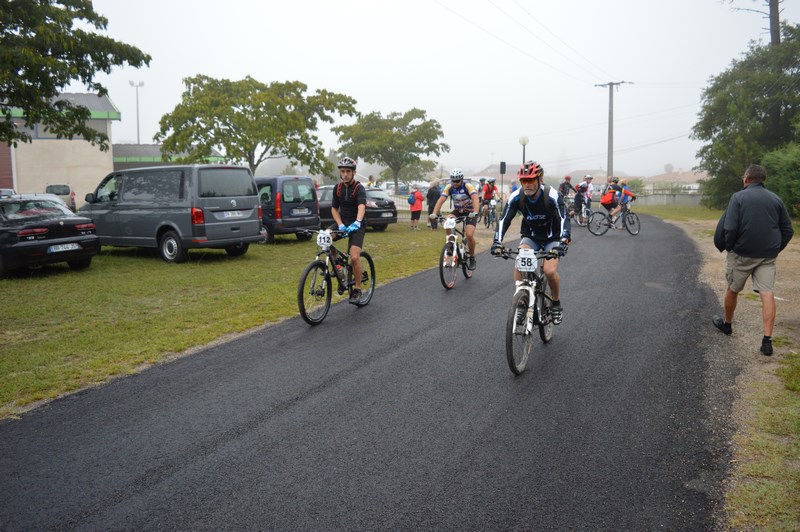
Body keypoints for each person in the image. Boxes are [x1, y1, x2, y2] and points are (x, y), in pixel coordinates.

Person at [712, 164, 794, 356]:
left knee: (733, 289)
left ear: (747, 179)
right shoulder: (776, 199)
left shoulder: (738, 197)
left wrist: (731, 247)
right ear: (762, 180)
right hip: (767, 256)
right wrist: (775, 248)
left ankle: (727, 324)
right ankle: (767, 341)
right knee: (767, 293)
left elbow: (730, 227)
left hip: (742, 254)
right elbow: (788, 230)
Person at [491, 161, 570, 324]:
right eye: (523, 180)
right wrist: (497, 242)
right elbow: (504, 219)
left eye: (531, 180)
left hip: (552, 237)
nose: (527, 184)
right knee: (520, 262)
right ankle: (521, 303)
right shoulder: (516, 196)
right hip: (531, 236)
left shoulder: (551, 194)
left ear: (540, 179)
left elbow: (564, 217)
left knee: (549, 271)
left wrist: (563, 240)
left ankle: (555, 303)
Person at [330, 156, 367, 304]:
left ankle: (357, 289)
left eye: (348, 171)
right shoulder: (337, 188)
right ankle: (338, 268)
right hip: (343, 222)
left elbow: (362, 206)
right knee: (325, 238)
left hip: (357, 225)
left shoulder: (359, 188)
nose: (345, 174)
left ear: (353, 173)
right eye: (343, 171)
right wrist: (339, 224)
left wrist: (357, 222)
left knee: (354, 257)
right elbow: (334, 209)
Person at [430, 168, 480, 270]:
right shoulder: (449, 187)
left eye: (457, 181)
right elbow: (440, 200)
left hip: (470, 212)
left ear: (462, 179)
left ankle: (472, 257)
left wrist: (475, 212)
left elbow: (475, 199)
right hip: (458, 211)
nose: (455, 183)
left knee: (469, 235)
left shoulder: (468, 186)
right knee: (447, 222)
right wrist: (434, 214)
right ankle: (451, 245)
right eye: (453, 181)